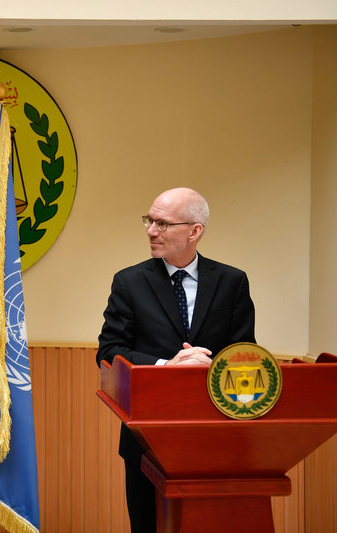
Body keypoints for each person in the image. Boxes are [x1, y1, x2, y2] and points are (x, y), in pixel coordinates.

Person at [96, 187, 255, 533]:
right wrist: (168, 366)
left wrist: (212, 367)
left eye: (163, 224)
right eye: (149, 221)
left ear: (194, 231)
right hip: (146, 439)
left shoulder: (232, 282)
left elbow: (246, 355)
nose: (151, 231)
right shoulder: (129, 282)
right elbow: (109, 351)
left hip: (216, 440)